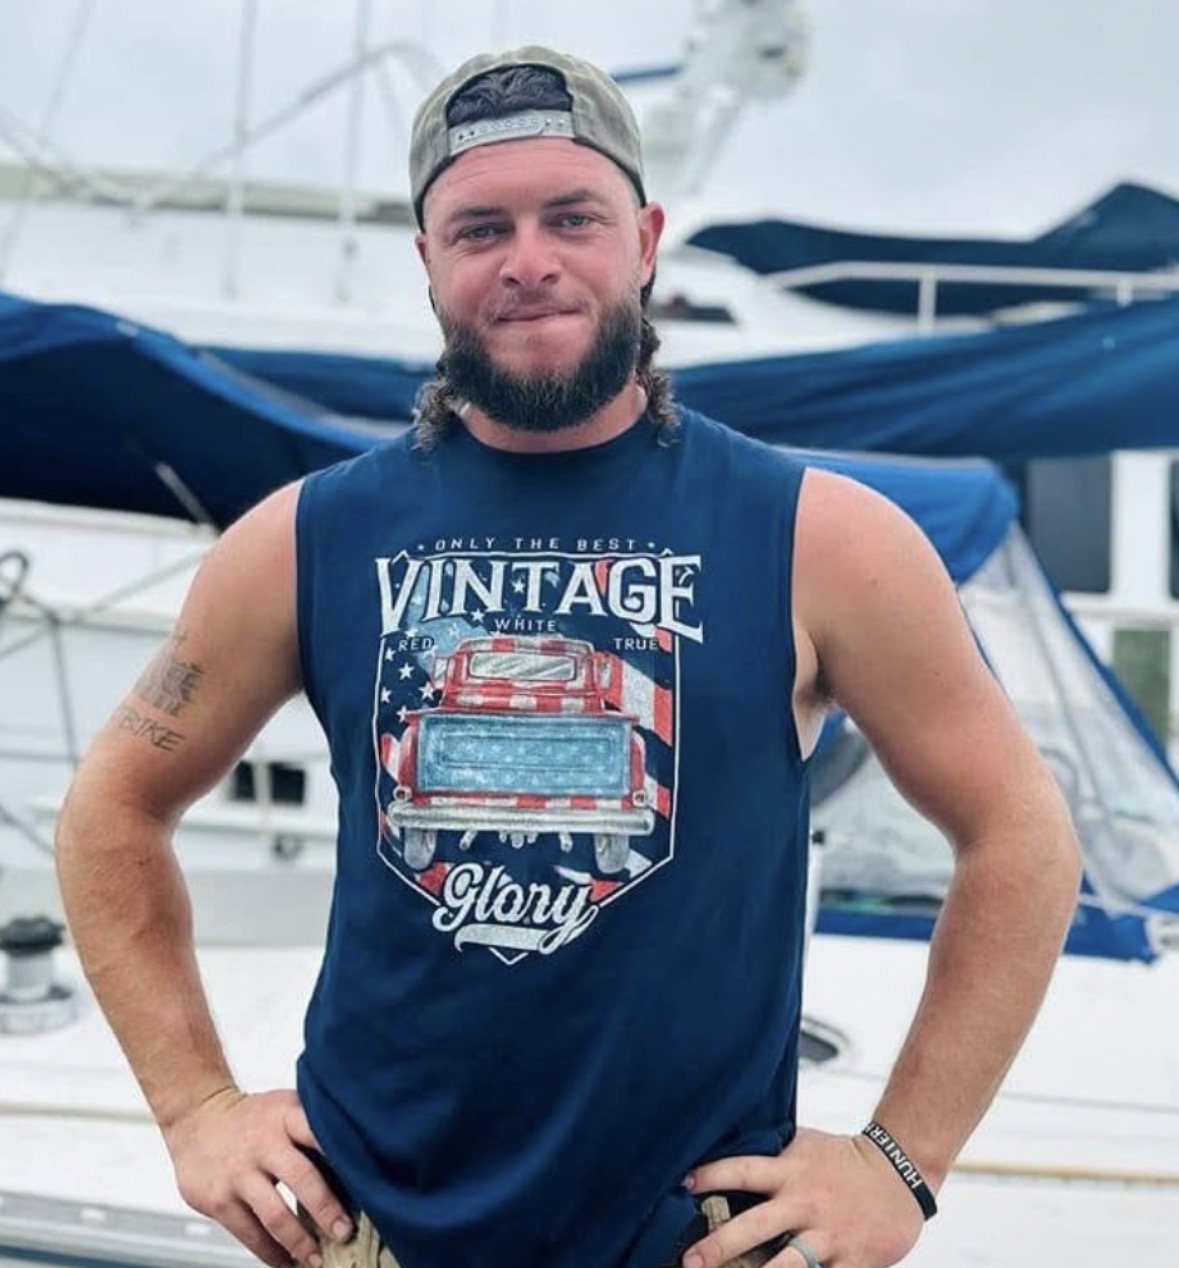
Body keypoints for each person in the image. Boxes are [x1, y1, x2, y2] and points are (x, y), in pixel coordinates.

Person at [55, 45, 1081, 1268]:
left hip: (695, 1237)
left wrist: (901, 1161)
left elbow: (1020, 833)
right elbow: (113, 807)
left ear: (643, 241)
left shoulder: (822, 539)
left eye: (572, 218)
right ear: (428, 262)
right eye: (480, 228)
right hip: (367, 1233)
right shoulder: (303, 540)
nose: (528, 260)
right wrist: (195, 1106)